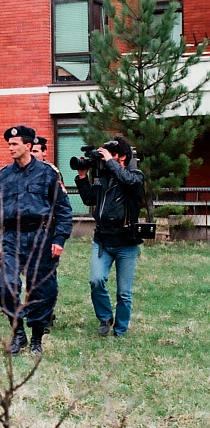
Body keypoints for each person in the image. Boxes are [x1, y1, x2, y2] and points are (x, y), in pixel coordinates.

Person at [0, 126, 72, 356]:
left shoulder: (48, 174)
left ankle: (36, 338)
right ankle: (18, 334)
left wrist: (60, 238)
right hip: (12, 237)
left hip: (41, 236)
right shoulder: (3, 176)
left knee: (42, 289)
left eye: (14, 144)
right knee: (5, 286)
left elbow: (64, 210)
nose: (10, 148)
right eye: (9, 144)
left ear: (28, 146)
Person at [75, 136, 145, 338]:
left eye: (110, 156)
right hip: (103, 241)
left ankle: (120, 331)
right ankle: (105, 318)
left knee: (124, 292)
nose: (105, 160)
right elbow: (89, 198)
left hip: (126, 242)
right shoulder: (102, 180)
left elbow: (130, 181)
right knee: (96, 280)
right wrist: (82, 177)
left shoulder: (135, 175)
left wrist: (111, 163)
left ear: (122, 157)